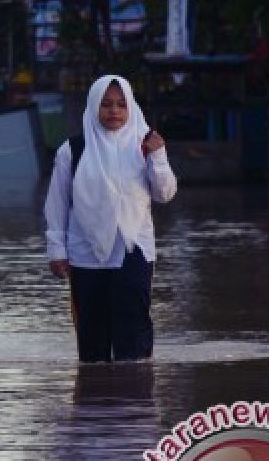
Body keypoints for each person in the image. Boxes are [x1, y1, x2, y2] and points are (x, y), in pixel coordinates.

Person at [44, 75, 177, 363]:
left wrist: (159, 157)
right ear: (93, 107)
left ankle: (137, 401)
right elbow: (57, 202)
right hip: (85, 252)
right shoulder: (72, 151)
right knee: (92, 340)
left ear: (131, 108)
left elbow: (164, 194)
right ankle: (94, 403)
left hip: (134, 248)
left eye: (120, 105)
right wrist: (57, 249)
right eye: (106, 105)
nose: (114, 111)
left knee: (135, 333)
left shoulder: (144, 146)